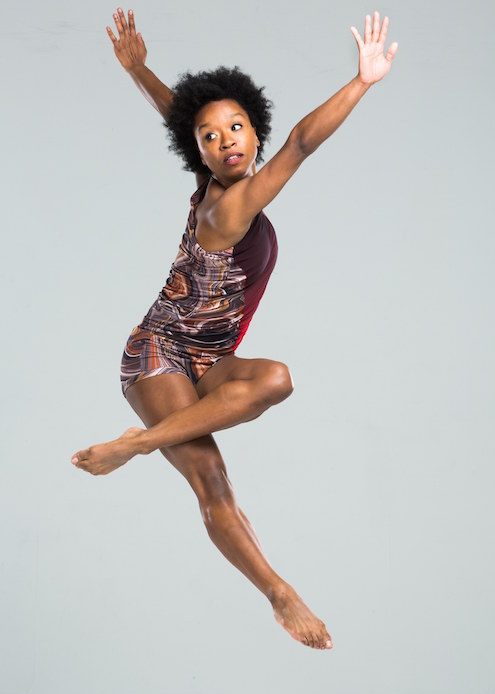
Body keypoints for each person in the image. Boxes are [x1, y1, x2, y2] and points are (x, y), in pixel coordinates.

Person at [71, 7, 398, 650]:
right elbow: (301, 143)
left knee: (276, 379)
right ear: (200, 152)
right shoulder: (233, 204)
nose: (226, 141)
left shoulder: (210, 184)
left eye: (236, 128)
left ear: (252, 128)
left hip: (209, 357)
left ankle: (138, 444)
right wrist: (360, 83)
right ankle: (279, 591)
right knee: (213, 483)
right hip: (159, 355)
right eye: (211, 137)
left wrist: (141, 71)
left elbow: (179, 116)